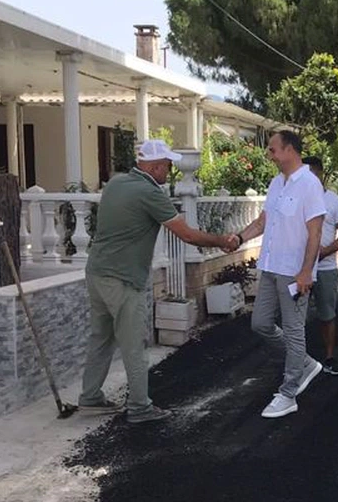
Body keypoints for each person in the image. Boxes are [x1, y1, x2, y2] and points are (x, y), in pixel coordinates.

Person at [80, 139, 239, 420]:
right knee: (133, 345)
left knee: (100, 338)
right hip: (122, 278)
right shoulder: (149, 193)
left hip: (96, 272)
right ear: (153, 167)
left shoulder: (116, 183)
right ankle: (140, 407)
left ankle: (90, 397)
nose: (170, 171)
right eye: (167, 166)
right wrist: (221, 241)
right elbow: (187, 235)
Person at [234, 131, 327, 418]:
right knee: (260, 323)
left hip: (294, 273)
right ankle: (306, 364)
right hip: (271, 267)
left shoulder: (310, 185)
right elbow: (264, 221)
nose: (269, 154)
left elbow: (315, 232)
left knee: (294, 330)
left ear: (289, 150)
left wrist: (306, 272)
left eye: (273, 149)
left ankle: (289, 393)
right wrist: (238, 237)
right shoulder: (277, 182)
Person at [303, 155, 338, 375]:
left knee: (327, 314)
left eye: (312, 174)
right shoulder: (297, 200)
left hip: (325, 268)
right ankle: (299, 361)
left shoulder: (334, 201)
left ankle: (330, 357)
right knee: (296, 317)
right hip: (299, 268)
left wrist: (324, 252)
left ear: (321, 174)